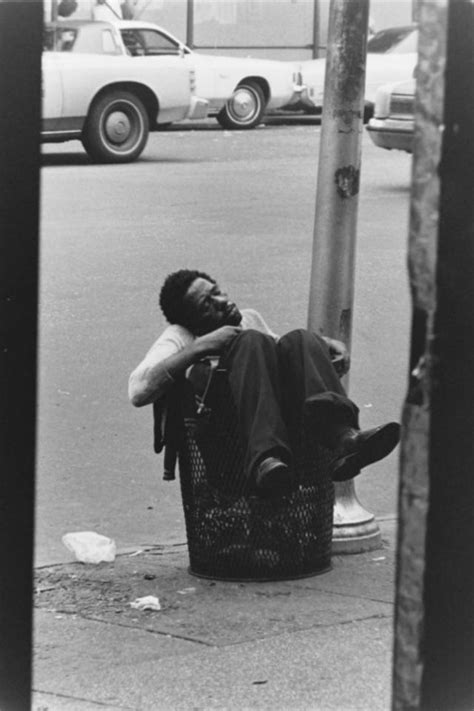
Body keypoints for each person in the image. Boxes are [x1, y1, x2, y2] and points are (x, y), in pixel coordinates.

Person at [129, 269, 400, 497]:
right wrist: (203, 345)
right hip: (232, 447)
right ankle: (265, 459)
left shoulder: (249, 319)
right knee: (250, 341)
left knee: (299, 338)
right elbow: (139, 391)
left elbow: (284, 352)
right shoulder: (179, 336)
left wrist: (322, 346)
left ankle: (344, 439)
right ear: (192, 321)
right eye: (207, 305)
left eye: (217, 291)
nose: (222, 301)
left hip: (287, 438)